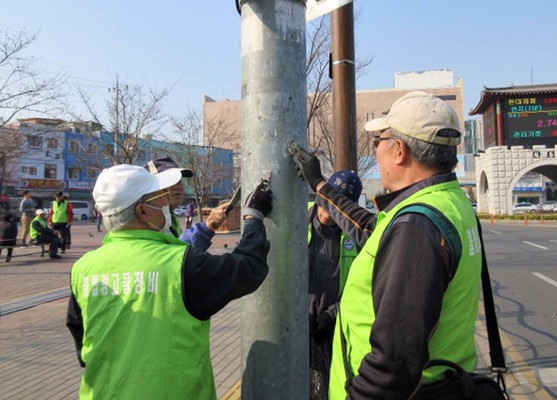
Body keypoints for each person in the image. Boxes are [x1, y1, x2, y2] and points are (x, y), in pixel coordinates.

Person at [294, 91, 483, 399]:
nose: (376, 150)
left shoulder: (415, 227)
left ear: (399, 151)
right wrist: (319, 185)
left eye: (378, 141)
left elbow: (393, 365)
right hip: (443, 382)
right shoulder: (446, 203)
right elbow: (371, 230)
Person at [66, 164, 273, 399]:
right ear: (143, 212)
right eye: (160, 197)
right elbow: (248, 267)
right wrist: (254, 217)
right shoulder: (181, 264)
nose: (167, 203)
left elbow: (83, 345)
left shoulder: (83, 268)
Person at [307, 170, 363, 400]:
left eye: (335, 206)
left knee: (324, 390)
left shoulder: (355, 239)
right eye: (325, 203)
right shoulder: (295, 220)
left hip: (328, 330)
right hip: (292, 326)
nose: (327, 212)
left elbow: (358, 289)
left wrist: (331, 315)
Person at [145, 155, 228, 251]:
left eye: (179, 180)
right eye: (169, 181)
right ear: (151, 188)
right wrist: (205, 227)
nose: (178, 187)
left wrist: (208, 226)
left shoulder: (170, 218)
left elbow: (182, 251)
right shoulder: (146, 222)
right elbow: (173, 256)